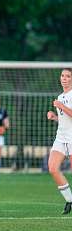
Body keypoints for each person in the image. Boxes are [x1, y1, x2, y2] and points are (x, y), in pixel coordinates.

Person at [47, 68, 72, 215]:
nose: (64, 78)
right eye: (63, 76)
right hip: (61, 138)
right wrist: (54, 117)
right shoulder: (60, 96)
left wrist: (62, 107)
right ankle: (69, 200)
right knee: (52, 168)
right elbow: (65, 120)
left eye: (68, 76)